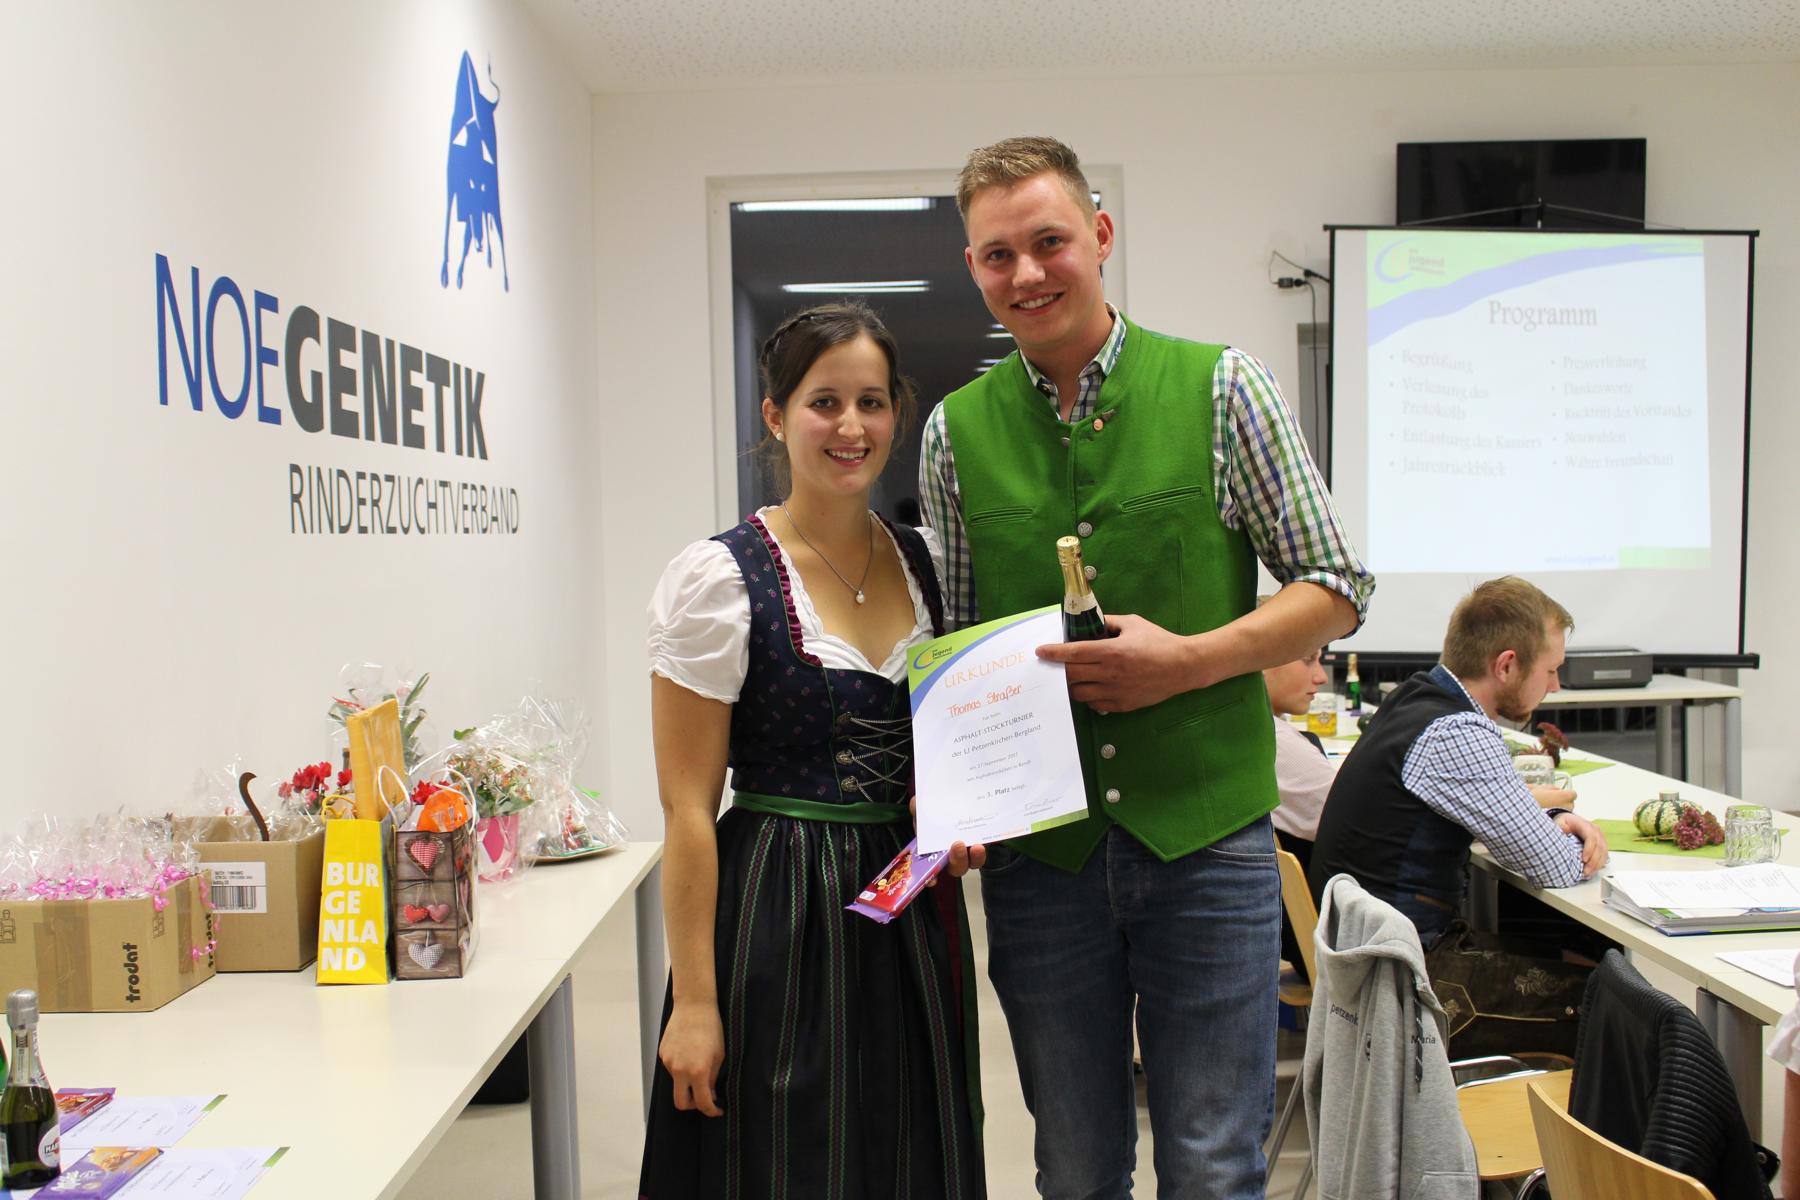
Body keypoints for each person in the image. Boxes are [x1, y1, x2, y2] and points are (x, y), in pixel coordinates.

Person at [919, 135, 1373, 1199]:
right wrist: (954, 797)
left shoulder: (1223, 387)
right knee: (1075, 1169)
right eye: (998, 255)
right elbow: (965, 643)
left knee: (1213, 1167)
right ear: (974, 268)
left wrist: (1192, 661)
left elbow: (1337, 584)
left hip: (1208, 844)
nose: (1027, 273)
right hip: (1044, 865)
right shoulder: (952, 435)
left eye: (1048, 241)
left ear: (1101, 235)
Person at [639, 302, 985, 1200]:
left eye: (871, 402)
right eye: (823, 402)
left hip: (908, 911)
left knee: (908, 1146)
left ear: (896, 413)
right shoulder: (721, 579)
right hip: (775, 912)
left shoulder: (928, 564)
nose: (850, 426)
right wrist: (695, 1001)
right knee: (786, 1155)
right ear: (776, 416)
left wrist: (960, 813)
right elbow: (686, 808)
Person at [1308, 576, 1608, 946]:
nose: (1555, 686)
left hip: (1358, 948)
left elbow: (1498, 811)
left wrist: (1554, 819)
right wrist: (1585, 842)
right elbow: (1556, 867)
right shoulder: (1456, 732)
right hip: (1401, 963)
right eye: (1550, 670)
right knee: (1594, 963)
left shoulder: (1413, 696)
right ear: (1506, 666)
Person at [1260, 619, 1340, 977]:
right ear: (1261, 661)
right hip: (1325, 943)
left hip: (1297, 937)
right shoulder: (1274, 739)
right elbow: (1358, 822)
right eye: (1308, 659)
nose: (1321, 677)